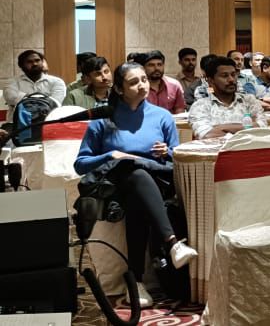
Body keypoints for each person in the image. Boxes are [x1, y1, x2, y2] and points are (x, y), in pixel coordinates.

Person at [73, 63, 198, 307]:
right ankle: (172, 244)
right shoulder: (103, 119)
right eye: (133, 82)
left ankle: (136, 282)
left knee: (138, 189)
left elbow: (176, 157)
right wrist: (111, 155)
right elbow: (81, 164)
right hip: (116, 185)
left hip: (156, 180)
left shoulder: (162, 116)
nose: (142, 85)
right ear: (119, 89)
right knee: (135, 176)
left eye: (144, 79)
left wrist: (167, 151)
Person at [187, 56, 266, 139]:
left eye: (233, 75)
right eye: (224, 76)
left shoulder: (249, 101)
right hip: (218, 148)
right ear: (210, 80)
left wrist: (221, 128)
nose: (231, 79)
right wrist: (248, 127)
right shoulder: (200, 106)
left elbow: (262, 127)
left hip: (248, 147)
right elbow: (207, 135)